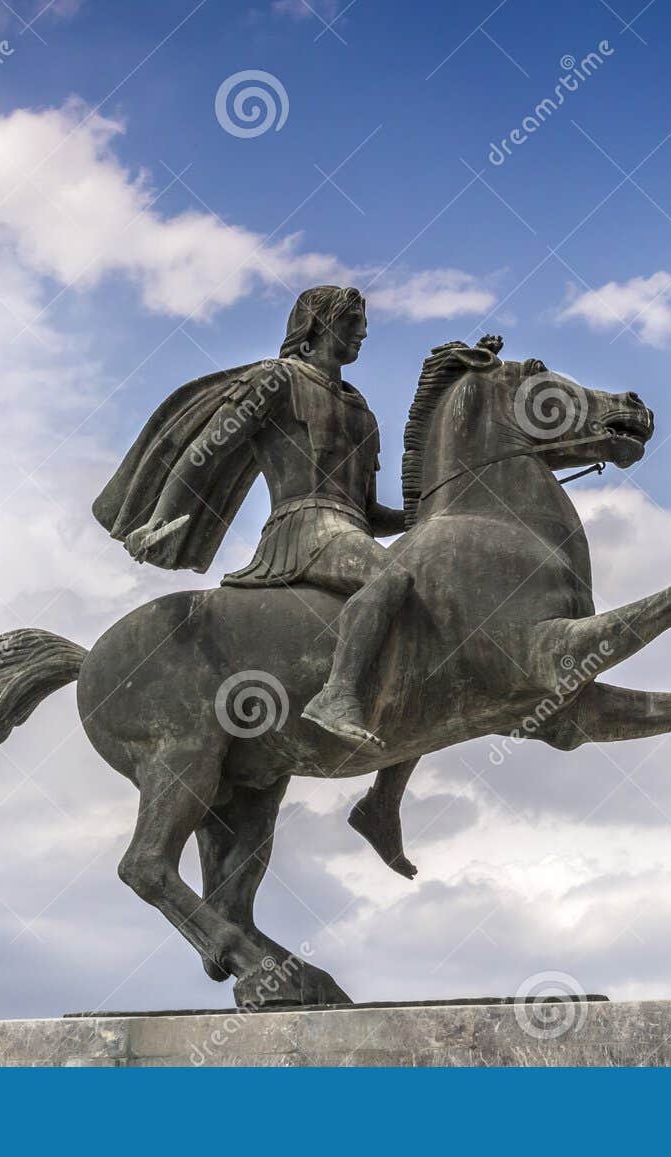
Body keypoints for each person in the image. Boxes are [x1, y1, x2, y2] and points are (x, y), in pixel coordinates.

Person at [92, 285, 419, 876]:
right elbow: (205, 451)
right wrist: (164, 516)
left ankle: (383, 804)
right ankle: (337, 696)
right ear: (319, 323)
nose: (363, 333)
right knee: (398, 580)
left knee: (430, 630)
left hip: (349, 532)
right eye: (353, 321)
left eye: (364, 323)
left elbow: (370, 511)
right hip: (304, 529)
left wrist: (434, 514)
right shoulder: (278, 379)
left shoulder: (360, 407)